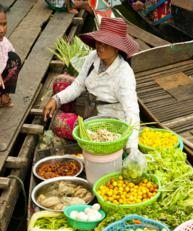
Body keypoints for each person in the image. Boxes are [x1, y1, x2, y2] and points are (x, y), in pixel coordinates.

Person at [43, 17, 140, 151]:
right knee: (60, 82)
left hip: (105, 120)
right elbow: (78, 85)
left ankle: (71, 119)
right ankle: (64, 110)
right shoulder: (94, 56)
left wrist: (131, 148)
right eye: (99, 42)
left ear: (117, 48)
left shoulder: (124, 74)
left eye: (106, 44)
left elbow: (132, 112)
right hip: (88, 102)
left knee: (58, 123)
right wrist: (56, 99)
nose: (100, 46)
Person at [0, 4, 21, 107]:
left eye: (4, 24)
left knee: (14, 59)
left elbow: (13, 58)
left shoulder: (4, 42)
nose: (2, 30)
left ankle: (3, 94)